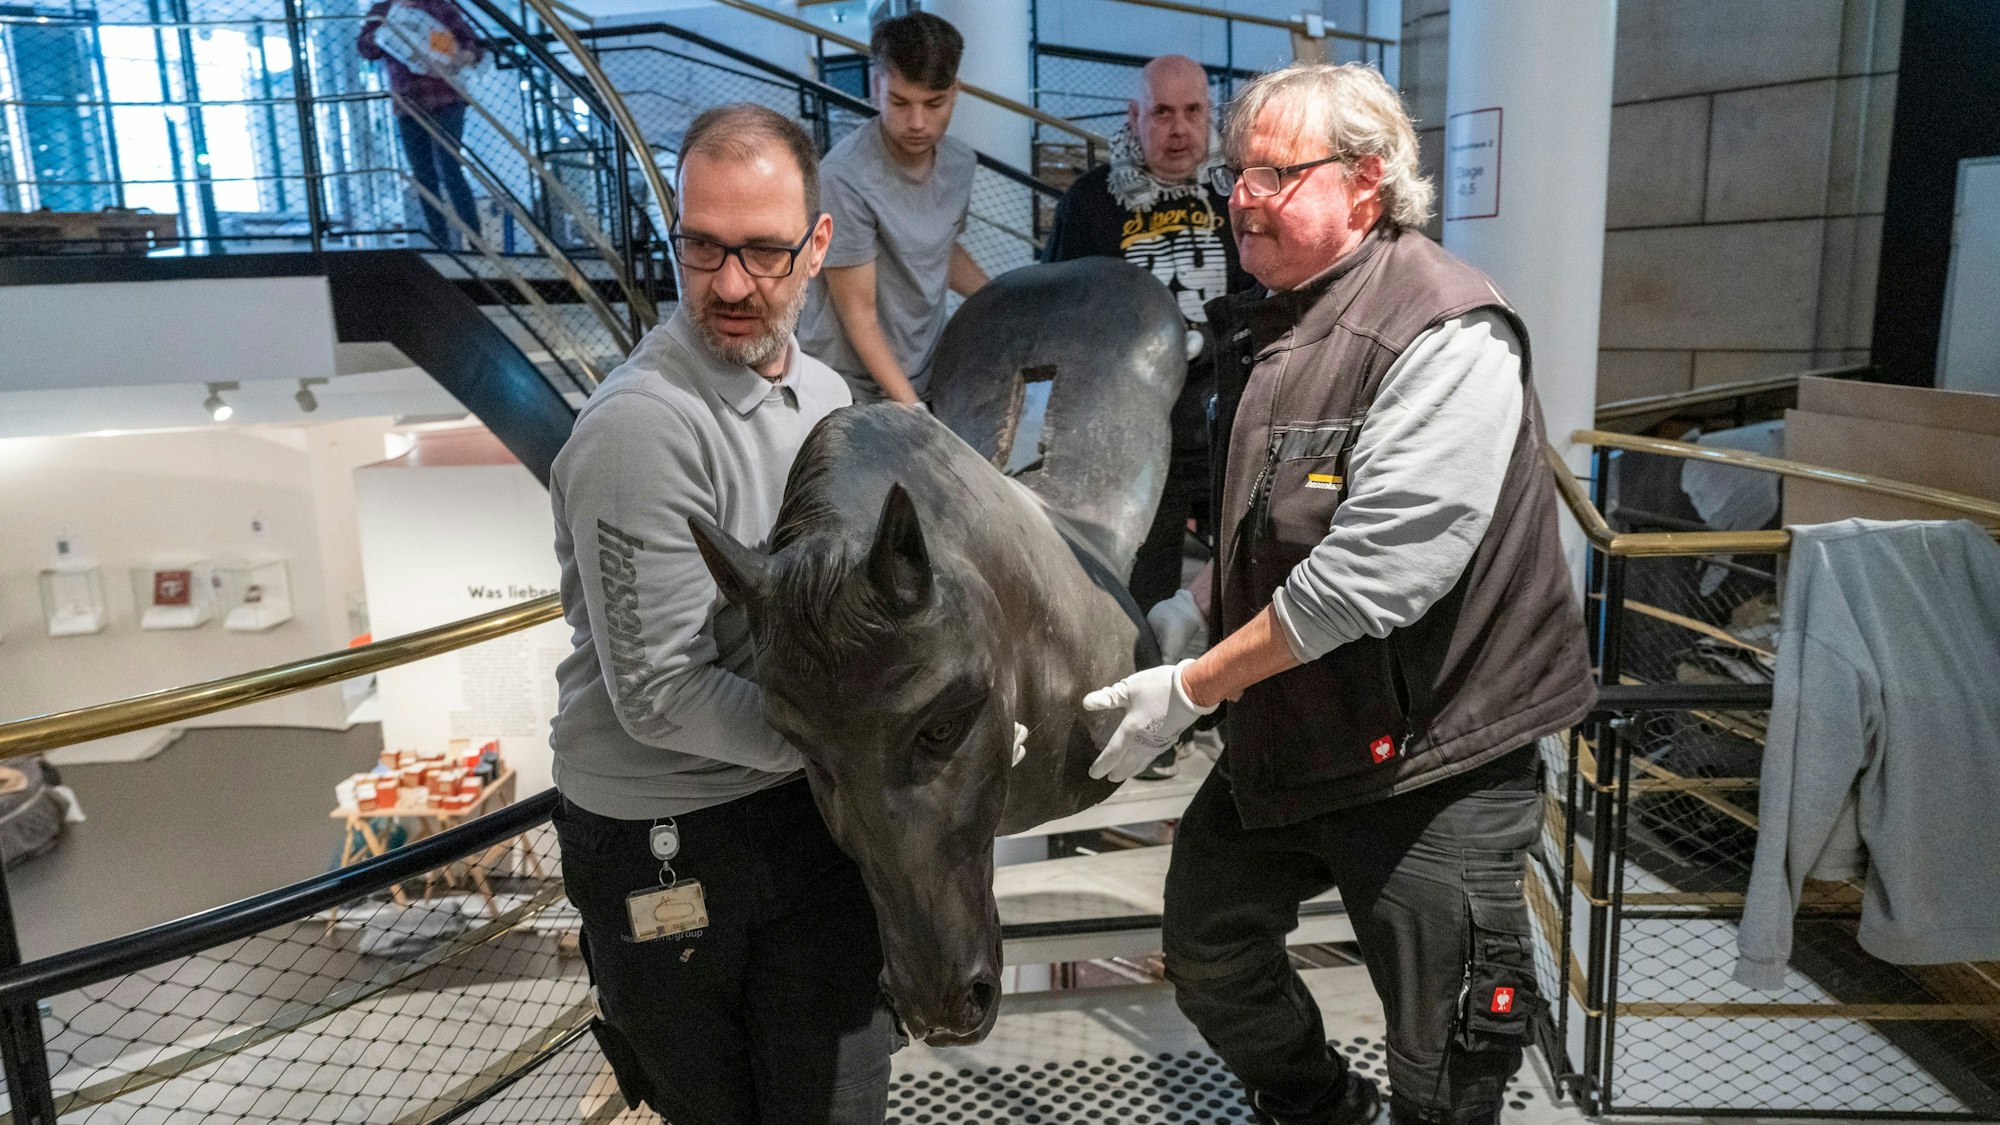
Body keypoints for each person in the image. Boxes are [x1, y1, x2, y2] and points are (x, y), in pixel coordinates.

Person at [1083, 63, 1593, 1125]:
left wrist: (1193, 687)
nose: (1239, 195)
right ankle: (1320, 1109)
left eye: (1273, 173)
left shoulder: (1446, 329)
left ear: (1364, 185)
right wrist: (1197, 608)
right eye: (1237, 173)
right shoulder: (1277, 318)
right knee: (1209, 944)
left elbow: (1370, 577)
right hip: (1300, 726)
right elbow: (1268, 520)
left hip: (1433, 758)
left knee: (1445, 1062)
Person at [545, 103, 895, 1125]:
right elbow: (657, 696)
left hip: (798, 805)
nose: (730, 285)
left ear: (818, 245)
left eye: (761, 252)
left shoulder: (825, 394)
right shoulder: (639, 432)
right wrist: (859, 747)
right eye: (701, 247)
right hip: (668, 836)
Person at [1043, 54, 1252, 613]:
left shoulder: (1240, 193)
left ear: (1211, 113)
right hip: (1131, 433)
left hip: (1225, 418)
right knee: (1140, 592)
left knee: (1248, 571)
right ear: (1134, 116)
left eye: (1192, 112)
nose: (1180, 129)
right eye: (1162, 112)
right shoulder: (1091, 202)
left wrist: (1211, 339)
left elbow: (1268, 296)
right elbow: (1059, 310)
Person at [798, 11, 986, 405]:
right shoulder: (843, 176)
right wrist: (912, 409)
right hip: (846, 386)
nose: (917, 122)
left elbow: (940, 250)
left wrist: (1000, 297)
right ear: (876, 85)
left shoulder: (960, 163)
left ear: (956, 91)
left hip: (923, 366)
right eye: (900, 102)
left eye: (934, 104)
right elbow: (858, 316)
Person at [357, 0, 483, 248]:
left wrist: (467, 54)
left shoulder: (439, 7)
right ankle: (442, 241)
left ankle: (475, 240)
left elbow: (470, 41)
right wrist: (384, 31)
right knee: (425, 176)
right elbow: (366, 48)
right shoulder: (382, 12)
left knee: (449, 168)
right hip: (409, 104)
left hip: (445, 98)